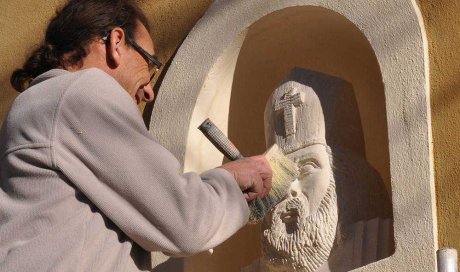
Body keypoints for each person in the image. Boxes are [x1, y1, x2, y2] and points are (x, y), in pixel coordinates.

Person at [0, 0, 272, 271]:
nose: (148, 92)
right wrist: (230, 179)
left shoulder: (39, 106)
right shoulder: (81, 94)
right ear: (116, 43)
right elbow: (187, 220)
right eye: (151, 64)